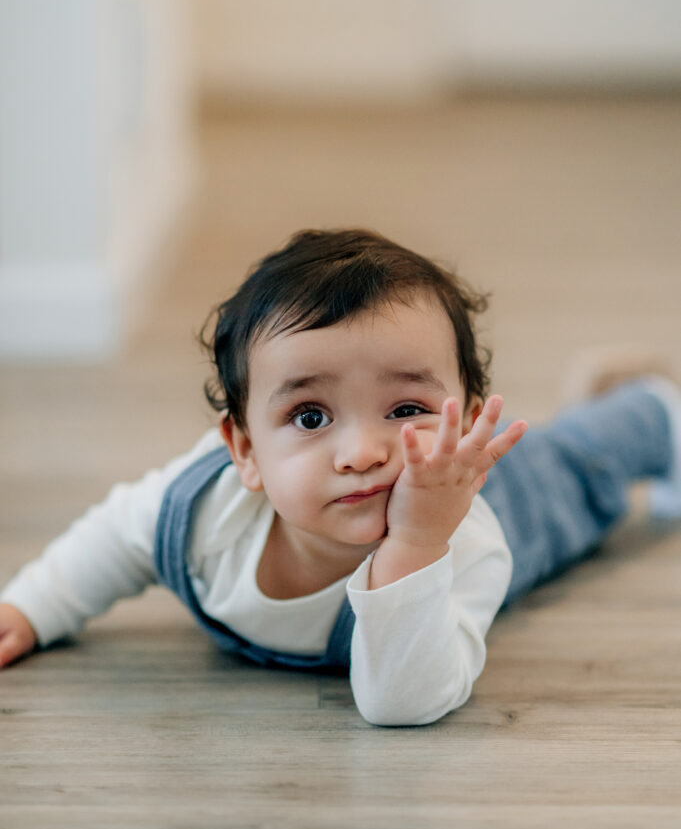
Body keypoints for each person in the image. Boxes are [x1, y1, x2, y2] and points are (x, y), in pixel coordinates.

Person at [1, 229, 679, 727]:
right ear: (244, 452)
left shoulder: (467, 542)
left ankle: (648, 410)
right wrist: (31, 608)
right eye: (308, 415)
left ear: (466, 420)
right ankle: (600, 395)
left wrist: (415, 544)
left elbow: (402, 703)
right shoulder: (202, 508)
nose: (360, 452)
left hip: (482, 499)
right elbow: (116, 539)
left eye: (406, 408)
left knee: (573, 472)